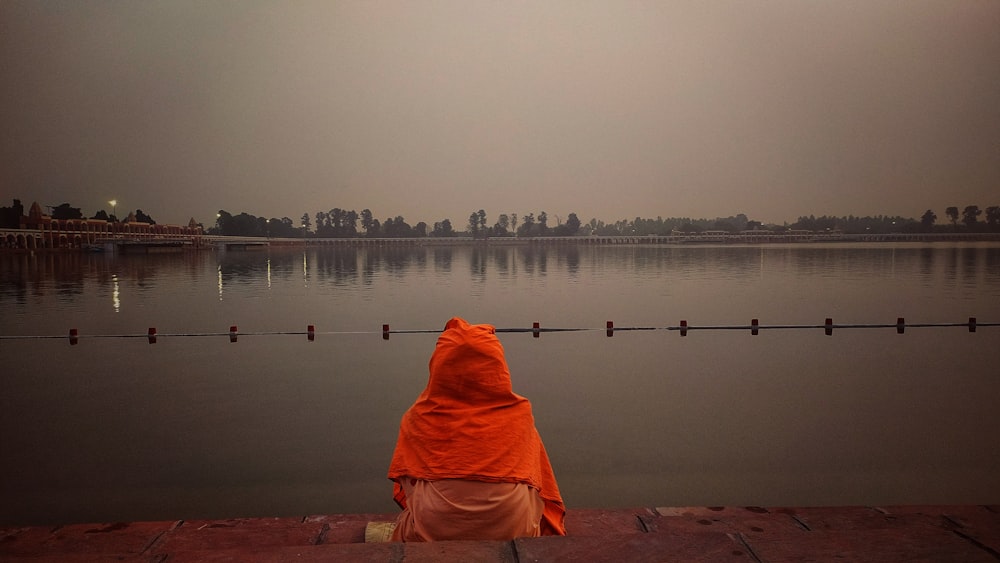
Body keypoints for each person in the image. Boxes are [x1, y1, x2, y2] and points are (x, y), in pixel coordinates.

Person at [387, 317, 566, 541]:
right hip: (513, 528)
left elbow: (408, 483)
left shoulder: (419, 417)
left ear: (439, 366)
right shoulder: (519, 414)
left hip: (434, 529)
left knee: (413, 512)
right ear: (497, 367)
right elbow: (536, 481)